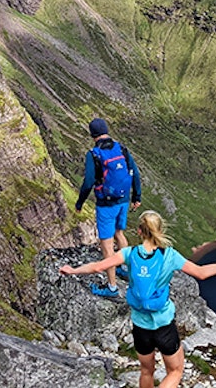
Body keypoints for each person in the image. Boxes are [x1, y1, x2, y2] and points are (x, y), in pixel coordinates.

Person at [60, 210, 216, 388]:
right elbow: (201, 273)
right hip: (163, 325)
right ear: (160, 230)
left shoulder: (129, 253)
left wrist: (73, 270)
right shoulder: (169, 256)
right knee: (175, 371)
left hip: (140, 325)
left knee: (146, 371)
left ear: (140, 231)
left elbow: (97, 267)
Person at [74, 117, 141, 297]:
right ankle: (123, 268)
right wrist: (137, 196)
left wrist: (80, 203)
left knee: (106, 244)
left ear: (92, 134)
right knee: (119, 233)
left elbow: (88, 182)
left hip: (106, 204)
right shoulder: (121, 148)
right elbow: (134, 171)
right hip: (123, 200)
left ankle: (111, 287)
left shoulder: (94, 154)